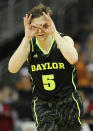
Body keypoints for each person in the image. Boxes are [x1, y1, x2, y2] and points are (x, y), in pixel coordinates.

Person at [8, 3, 83, 131]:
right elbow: (12, 68)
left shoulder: (64, 40)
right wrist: (26, 38)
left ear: (50, 23)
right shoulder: (29, 44)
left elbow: (73, 58)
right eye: (35, 27)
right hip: (43, 103)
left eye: (44, 25)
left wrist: (54, 32)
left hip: (68, 101)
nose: (40, 30)